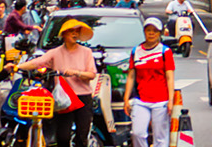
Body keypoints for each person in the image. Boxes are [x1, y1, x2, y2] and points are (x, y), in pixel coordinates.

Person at [21, 15, 111, 147]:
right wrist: (17, 67)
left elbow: (92, 74)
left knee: (82, 135)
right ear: (64, 34)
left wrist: (77, 73)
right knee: (63, 136)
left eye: (77, 32)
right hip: (64, 99)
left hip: (83, 98)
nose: (74, 34)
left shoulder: (86, 52)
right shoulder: (55, 52)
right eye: (71, 31)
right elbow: (38, 62)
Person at [126, 14, 176, 147]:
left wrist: (171, 100)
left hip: (161, 101)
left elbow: (170, 77)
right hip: (141, 100)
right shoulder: (136, 51)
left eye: (155, 31)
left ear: (159, 33)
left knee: (160, 137)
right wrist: (126, 99)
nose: (151, 33)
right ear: (144, 32)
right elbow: (131, 76)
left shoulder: (165, 52)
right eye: (149, 30)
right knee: (137, 133)